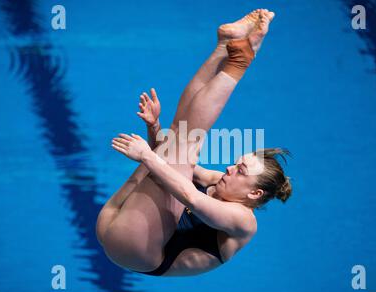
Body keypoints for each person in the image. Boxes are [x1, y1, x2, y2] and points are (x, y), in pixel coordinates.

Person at [97, 9, 292, 276]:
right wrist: (154, 128)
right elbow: (166, 158)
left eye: (240, 171)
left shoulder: (244, 221)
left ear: (254, 194)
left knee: (187, 142)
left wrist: (148, 156)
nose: (229, 169)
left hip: (135, 249)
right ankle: (224, 46)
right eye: (236, 164)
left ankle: (239, 62)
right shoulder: (214, 180)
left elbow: (188, 195)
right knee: (180, 135)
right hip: (115, 217)